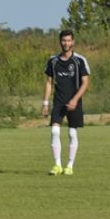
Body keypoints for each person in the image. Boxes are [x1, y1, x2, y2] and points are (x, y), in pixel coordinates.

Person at [41, 29, 91, 175]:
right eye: (64, 40)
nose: (66, 43)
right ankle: (57, 165)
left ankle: (69, 165)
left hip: (74, 101)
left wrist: (75, 100)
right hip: (59, 101)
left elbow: (85, 83)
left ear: (73, 42)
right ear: (60, 42)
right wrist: (45, 103)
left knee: (72, 133)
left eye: (69, 40)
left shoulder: (79, 61)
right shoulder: (53, 61)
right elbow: (49, 82)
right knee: (54, 130)